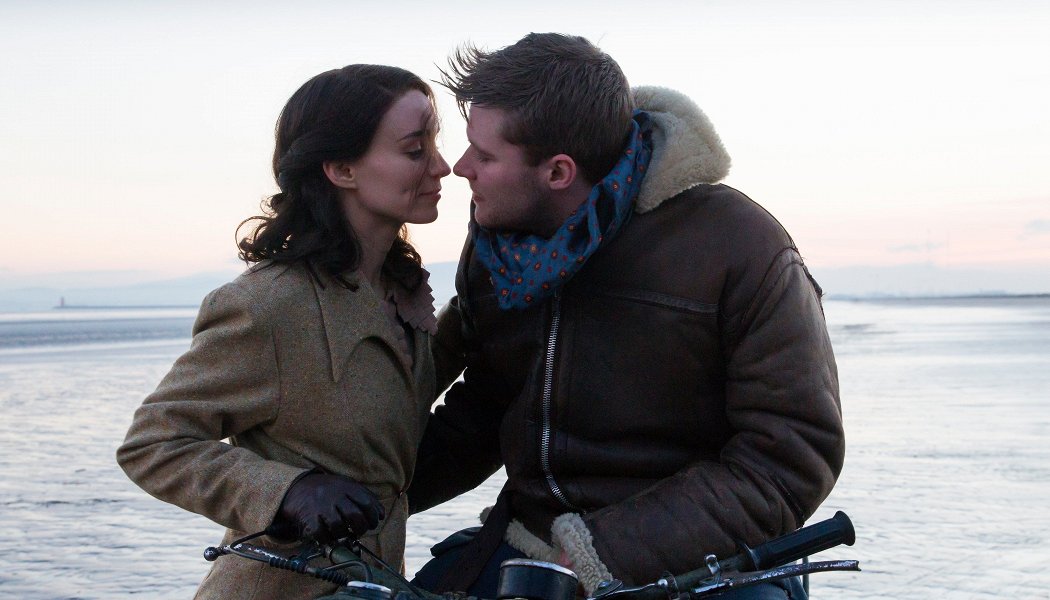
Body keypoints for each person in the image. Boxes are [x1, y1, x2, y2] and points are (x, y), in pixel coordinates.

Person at [407, 34, 845, 600]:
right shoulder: (498, 251)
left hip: (713, 563)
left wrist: (602, 553)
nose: (460, 167)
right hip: (531, 542)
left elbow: (791, 455)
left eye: (484, 156)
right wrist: (370, 494)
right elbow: (486, 410)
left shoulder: (739, 244)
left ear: (558, 172)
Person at [116, 64, 452, 599]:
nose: (442, 165)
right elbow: (152, 444)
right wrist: (287, 491)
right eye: (415, 150)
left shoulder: (401, 293)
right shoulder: (268, 305)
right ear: (341, 169)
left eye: (435, 144)